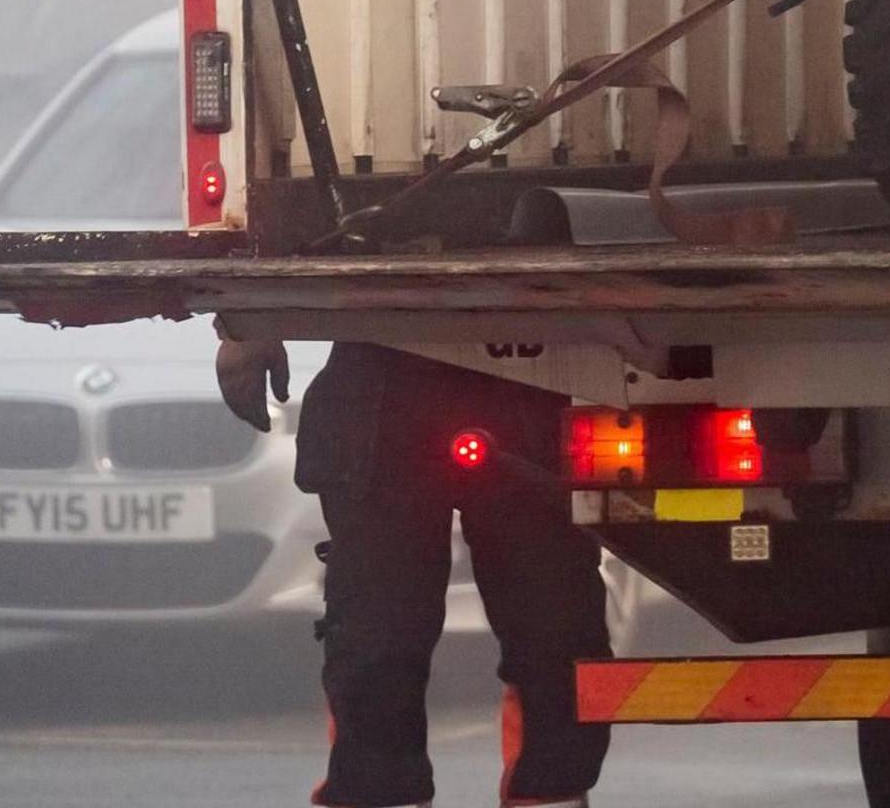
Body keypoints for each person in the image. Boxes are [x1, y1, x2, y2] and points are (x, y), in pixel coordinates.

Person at [222, 335, 612, 808]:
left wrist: (246, 332)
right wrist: (245, 330)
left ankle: (549, 794)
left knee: (552, 624)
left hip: (514, 365)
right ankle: (387, 792)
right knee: (379, 631)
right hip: (399, 376)